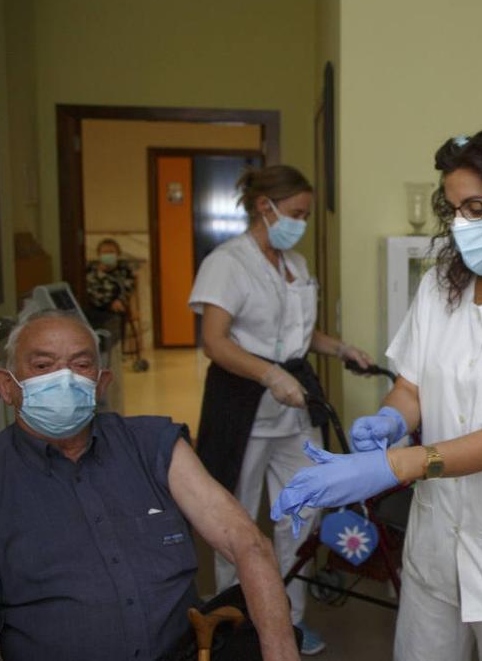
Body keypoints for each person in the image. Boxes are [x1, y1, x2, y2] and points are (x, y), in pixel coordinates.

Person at [272, 128, 482, 661]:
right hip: (436, 539)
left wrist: (395, 465)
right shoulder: (440, 288)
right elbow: (410, 387)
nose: (464, 225)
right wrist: (390, 420)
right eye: (454, 211)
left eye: (477, 207)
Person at [0, 310, 299, 661]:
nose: (64, 377)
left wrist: (281, 653)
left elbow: (247, 543)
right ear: (7, 387)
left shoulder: (153, 444)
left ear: (101, 382)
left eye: (81, 364)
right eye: (42, 366)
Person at [188, 164, 373, 656]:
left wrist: (340, 349)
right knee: (237, 520)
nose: (301, 223)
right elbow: (214, 341)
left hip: (292, 406)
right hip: (243, 402)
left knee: (303, 514)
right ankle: (235, 617)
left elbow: (297, 333)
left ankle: (288, 620)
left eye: (306, 215)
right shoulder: (227, 263)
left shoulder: (294, 263)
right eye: (295, 213)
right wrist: (268, 374)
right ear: (263, 206)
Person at [84, 238, 136, 339]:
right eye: (105, 252)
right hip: (94, 306)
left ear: (118, 254)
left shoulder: (124, 269)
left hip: (115, 307)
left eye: (111, 252)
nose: (108, 255)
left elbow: (128, 288)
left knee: (115, 317)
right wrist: (101, 272)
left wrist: (120, 301)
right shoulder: (91, 269)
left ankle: (114, 349)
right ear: (99, 254)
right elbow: (90, 288)